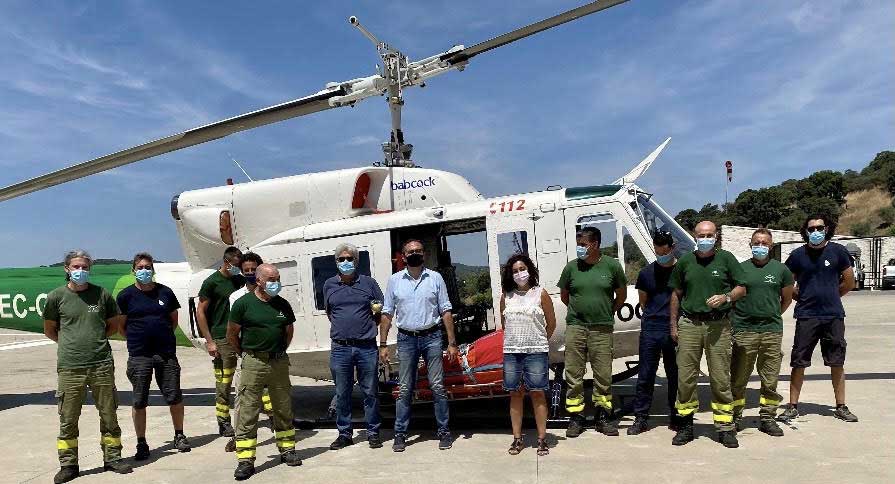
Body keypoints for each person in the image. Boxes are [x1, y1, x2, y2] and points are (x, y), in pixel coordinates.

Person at [43, 250, 131, 483]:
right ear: (66, 269)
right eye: (75, 267)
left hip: (101, 364)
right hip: (70, 367)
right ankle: (69, 465)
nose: (80, 271)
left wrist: (93, 341)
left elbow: (112, 326)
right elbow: (50, 329)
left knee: (109, 414)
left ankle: (113, 458)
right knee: (68, 418)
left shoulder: (101, 295)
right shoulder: (56, 297)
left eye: (84, 267)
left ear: (89, 268)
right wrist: (71, 344)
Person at [668, 220, 746, 448]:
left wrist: (727, 297)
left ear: (716, 236)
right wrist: (673, 326)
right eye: (701, 235)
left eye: (709, 235)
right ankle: (685, 426)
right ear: (694, 236)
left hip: (718, 326)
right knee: (686, 379)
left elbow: (742, 288)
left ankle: (724, 428)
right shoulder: (685, 261)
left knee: (720, 378)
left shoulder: (727, 259)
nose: (705, 239)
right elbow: (676, 294)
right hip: (690, 324)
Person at [380, 239, 459, 452]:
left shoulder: (435, 278)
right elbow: (387, 313)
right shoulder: (395, 281)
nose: (415, 253)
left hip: (432, 337)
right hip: (406, 339)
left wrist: (452, 343)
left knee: (437, 386)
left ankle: (443, 431)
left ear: (423, 254)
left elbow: (446, 310)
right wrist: (383, 344)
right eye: (410, 251)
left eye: (418, 251)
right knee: (405, 388)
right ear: (403, 257)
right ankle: (400, 434)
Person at [779, 214, 858, 422]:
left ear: (827, 229)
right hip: (806, 316)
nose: (815, 232)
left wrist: (832, 296)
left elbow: (849, 282)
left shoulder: (838, 252)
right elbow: (787, 284)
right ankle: (793, 405)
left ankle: (841, 406)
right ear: (805, 231)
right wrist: (801, 298)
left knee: (837, 361)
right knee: (799, 362)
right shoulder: (797, 255)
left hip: (833, 315)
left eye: (819, 228)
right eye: (811, 228)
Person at [228, 264, 302, 480]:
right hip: (253, 362)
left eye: (277, 278)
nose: (275, 282)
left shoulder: (282, 304)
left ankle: (287, 450)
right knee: (248, 410)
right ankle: (245, 460)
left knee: (283, 407)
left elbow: (288, 331)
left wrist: (278, 351)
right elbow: (232, 333)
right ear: (258, 280)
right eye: (271, 279)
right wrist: (246, 354)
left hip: (278, 362)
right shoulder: (243, 304)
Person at [117, 252, 191, 460]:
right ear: (133, 270)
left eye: (148, 267)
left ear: (153, 269)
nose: (144, 271)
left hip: (165, 354)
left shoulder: (165, 293)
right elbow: (121, 326)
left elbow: (173, 320)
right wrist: (138, 339)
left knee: (174, 397)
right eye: (140, 267)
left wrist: (161, 337)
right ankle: (141, 442)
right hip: (140, 355)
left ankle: (179, 435)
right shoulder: (125, 296)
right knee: (139, 401)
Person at [559, 226, 627, 438]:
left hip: (602, 328)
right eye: (578, 244)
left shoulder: (612, 266)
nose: (579, 248)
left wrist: (606, 311)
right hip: (576, 328)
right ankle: (576, 417)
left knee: (603, 375)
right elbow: (565, 296)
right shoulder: (571, 268)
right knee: (573, 374)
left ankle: (603, 417)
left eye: (583, 245)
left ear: (595, 244)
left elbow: (621, 296)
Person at [730, 229, 794, 436]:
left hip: (771, 332)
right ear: (750, 244)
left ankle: (767, 417)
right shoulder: (740, 270)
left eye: (765, 243)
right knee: (739, 378)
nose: (760, 246)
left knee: (770, 379)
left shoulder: (781, 270)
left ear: (771, 245)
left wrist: (771, 314)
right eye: (756, 242)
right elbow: (732, 297)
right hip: (744, 331)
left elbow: (786, 299)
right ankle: (736, 416)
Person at [324, 243, 386, 450]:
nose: (345, 262)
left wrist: (364, 329)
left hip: (366, 347)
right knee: (342, 393)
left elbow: (378, 312)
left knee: (370, 392)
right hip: (340, 348)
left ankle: (373, 432)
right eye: (341, 259)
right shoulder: (329, 285)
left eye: (349, 258)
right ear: (336, 262)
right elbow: (330, 313)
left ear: (356, 261)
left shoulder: (369, 284)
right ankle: (344, 434)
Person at [500, 253, 556, 456]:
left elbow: (551, 323)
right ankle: (517, 438)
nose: (519, 273)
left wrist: (538, 341)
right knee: (515, 393)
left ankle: (542, 438)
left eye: (522, 269)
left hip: (536, 352)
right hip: (512, 353)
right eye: (515, 271)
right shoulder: (506, 296)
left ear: (530, 270)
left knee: (538, 393)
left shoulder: (541, 294)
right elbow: (505, 325)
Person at [628, 231, 680, 435]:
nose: (661, 253)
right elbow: (643, 302)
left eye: (664, 250)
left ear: (672, 247)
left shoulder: (681, 270)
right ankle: (641, 417)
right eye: (657, 250)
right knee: (646, 374)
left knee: (675, 375)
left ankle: (676, 416)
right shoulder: (646, 273)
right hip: (651, 328)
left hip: (674, 328)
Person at [196, 246, 245, 438]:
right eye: (236, 265)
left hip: (239, 335)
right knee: (224, 381)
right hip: (221, 337)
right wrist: (209, 341)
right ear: (226, 262)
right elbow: (200, 311)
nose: (238, 269)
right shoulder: (211, 283)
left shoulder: (239, 280)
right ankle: (223, 421)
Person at [225, 252, 270, 452]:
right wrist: (241, 352)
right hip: (247, 354)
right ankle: (238, 435)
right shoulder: (236, 297)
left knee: (276, 395)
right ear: (241, 272)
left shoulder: (272, 294)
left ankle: (281, 429)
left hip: (269, 355)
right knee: (242, 398)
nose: (250, 273)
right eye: (246, 270)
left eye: (254, 269)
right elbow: (233, 330)